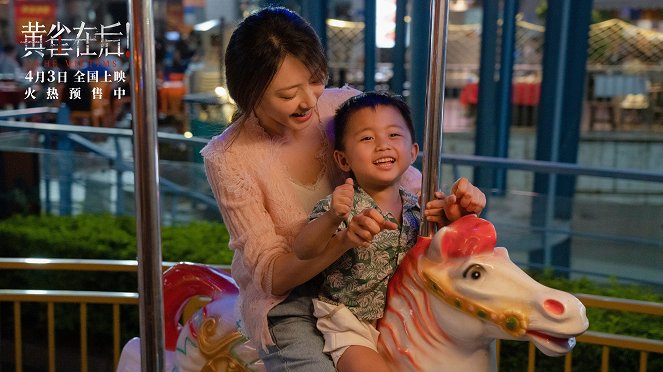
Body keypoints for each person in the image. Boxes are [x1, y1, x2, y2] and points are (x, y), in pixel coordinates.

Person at [201, 6, 484, 371]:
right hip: (292, 298)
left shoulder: (337, 107)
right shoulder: (230, 157)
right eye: (288, 95)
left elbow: (407, 185)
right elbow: (273, 275)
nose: (309, 100)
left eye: (316, 79)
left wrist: (452, 208)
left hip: (372, 280)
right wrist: (342, 241)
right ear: (249, 93)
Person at [292, 92, 484, 371]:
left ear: (413, 152)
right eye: (367, 138)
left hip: (406, 318)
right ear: (343, 159)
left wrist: (459, 219)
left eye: (393, 135)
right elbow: (303, 250)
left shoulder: (420, 210)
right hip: (351, 321)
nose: (382, 145)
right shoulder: (344, 205)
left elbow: (451, 259)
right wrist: (334, 219)